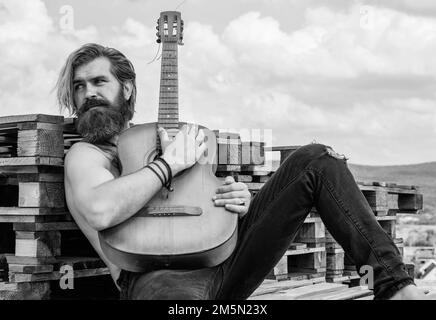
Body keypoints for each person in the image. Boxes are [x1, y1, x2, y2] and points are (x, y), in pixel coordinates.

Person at [58, 43, 428, 300]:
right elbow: (100, 210)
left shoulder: (156, 141)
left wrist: (236, 202)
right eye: (79, 86)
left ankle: (395, 286)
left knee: (317, 160)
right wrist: (169, 164)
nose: (88, 92)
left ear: (126, 87)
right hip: (156, 280)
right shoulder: (86, 155)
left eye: (98, 82)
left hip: (222, 260)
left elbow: (199, 201)